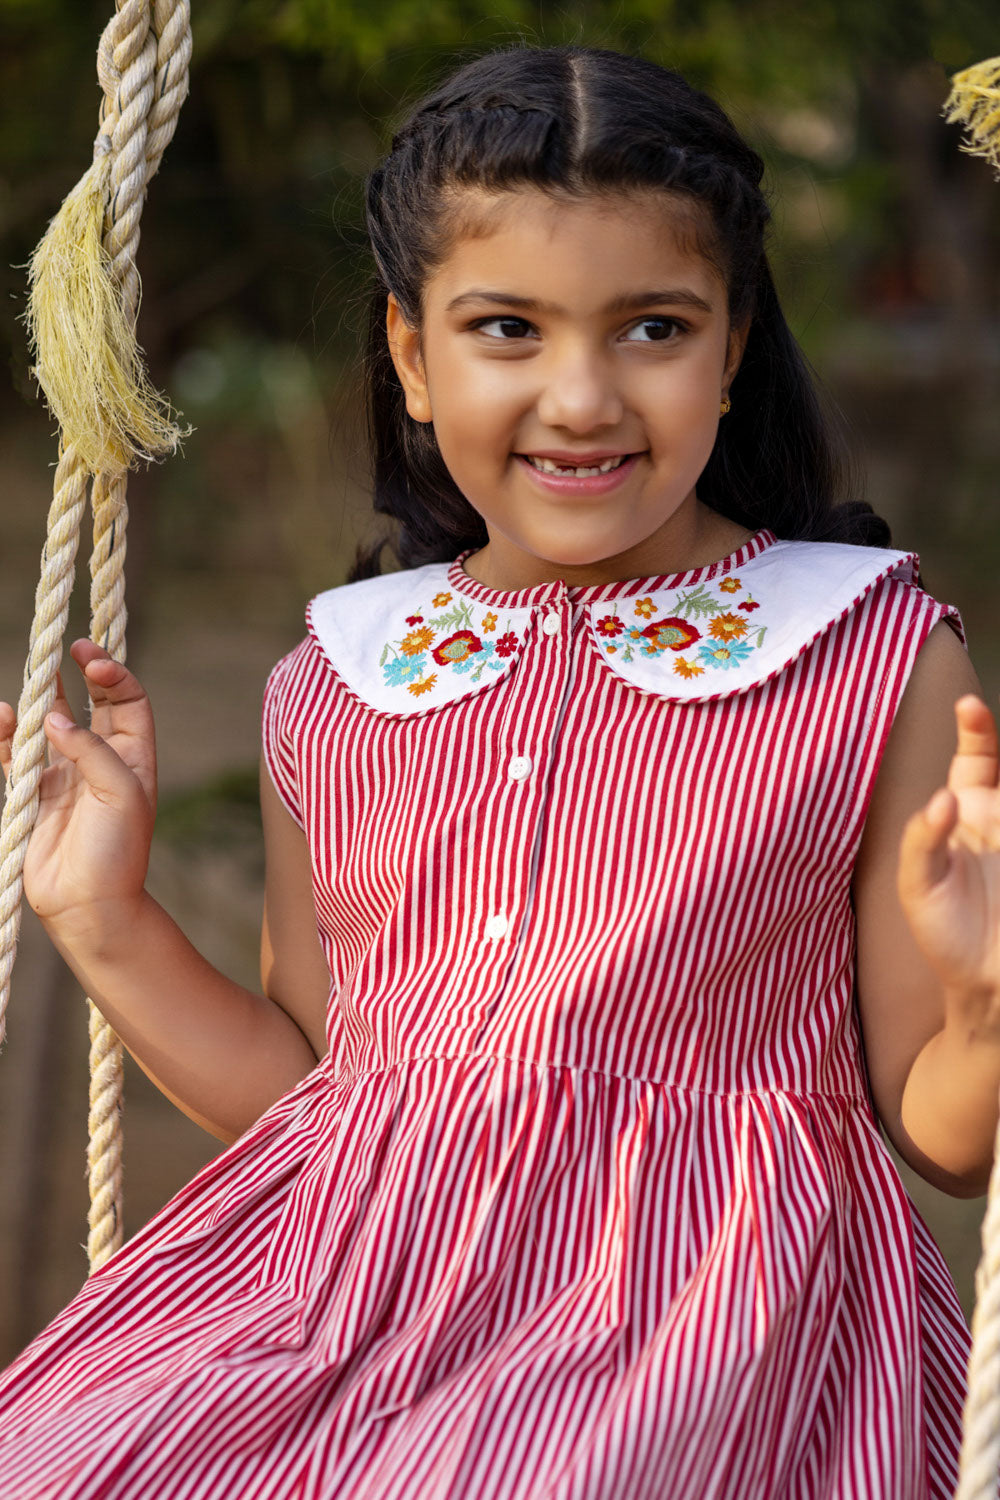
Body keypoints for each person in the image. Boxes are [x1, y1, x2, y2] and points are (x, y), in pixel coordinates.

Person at [0, 39, 996, 1500]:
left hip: (701, 1334)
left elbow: (943, 1135)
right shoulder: (344, 674)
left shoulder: (867, 653)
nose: (582, 397)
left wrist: (984, 999)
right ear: (413, 356)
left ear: (731, 349)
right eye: (507, 329)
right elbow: (314, 1099)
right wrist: (103, 918)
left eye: (653, 328)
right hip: (339, 1316)